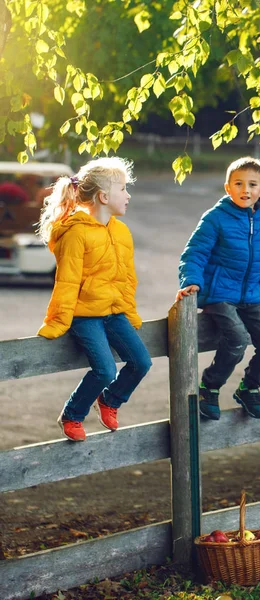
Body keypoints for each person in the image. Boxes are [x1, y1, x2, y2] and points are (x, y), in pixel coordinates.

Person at [37, 157, 152, 441]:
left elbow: (127, 278)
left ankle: (110, 400)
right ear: (103, 196)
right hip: (84, 316)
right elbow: (66, 282)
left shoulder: (121, 232)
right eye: (123, 189)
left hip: (113, 313)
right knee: (104, 369)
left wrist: (130, 312)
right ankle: (72, 414)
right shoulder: (76, 233)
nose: (128, 195)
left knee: (141, 362)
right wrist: (57, 320)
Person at [176, 156, 260, 421]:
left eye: (252, 184)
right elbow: (195, 253)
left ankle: (249, 388)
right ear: (227, 188)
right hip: (220, 294)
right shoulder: (215, 218)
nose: (245, 190)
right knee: (236, 339)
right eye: (238, 183)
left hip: (252, 297)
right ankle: (209, 388)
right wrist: (191, 281)